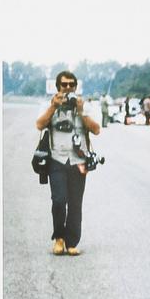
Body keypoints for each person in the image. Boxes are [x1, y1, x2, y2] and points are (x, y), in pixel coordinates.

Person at [36, 70, 100, 255]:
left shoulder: (85, 106)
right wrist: (53, 107)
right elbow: (39, 125)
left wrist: (81, 112)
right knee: (58, 200)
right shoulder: (48, 104)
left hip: (78, 161)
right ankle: (59, 238)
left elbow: (96, 130)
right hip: (56, 159)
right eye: (64, 85)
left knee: (75, 203)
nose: (68, 88)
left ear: (76, 86)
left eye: (71, 84)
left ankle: (72, 242)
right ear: (57, 87)